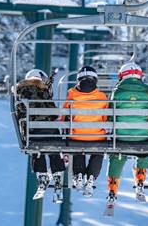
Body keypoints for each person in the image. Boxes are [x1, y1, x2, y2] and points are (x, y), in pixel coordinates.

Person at [107, 62, 148, 203]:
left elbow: (110, 116)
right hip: (142, 137)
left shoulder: (117, 92)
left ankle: (113, 188)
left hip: (121, 136)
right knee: (143, 151)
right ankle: (140, 179)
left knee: (117, 155)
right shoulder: (147, 93)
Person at [16, 69, 65, 199]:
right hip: (50, 132)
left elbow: (19, 114)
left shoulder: (19, 93)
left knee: (36, 151)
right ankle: (57, 175)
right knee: (54, 149)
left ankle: (42, 176)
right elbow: (54, 113)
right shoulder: (43, 91)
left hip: (33, 133)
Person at [63, 66, 109, 197]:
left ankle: (78, 175)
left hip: (76, 136)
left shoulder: (71, 94)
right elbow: (106, 118)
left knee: (77, 150)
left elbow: (63, 115)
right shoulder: (102, 97)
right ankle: (91, 177)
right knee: (98, 152)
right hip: (97, 137)